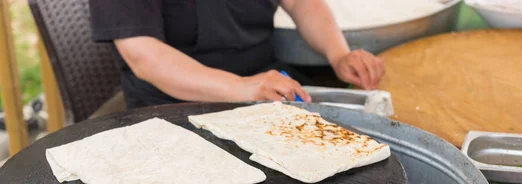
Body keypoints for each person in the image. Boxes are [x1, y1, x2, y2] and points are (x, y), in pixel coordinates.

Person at [89, 0, 386, 109]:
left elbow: (300, 3)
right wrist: (242, 88)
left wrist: (339, 54)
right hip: (173, 108)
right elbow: (145, 56)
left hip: (268, 85)